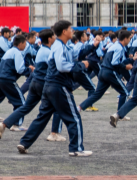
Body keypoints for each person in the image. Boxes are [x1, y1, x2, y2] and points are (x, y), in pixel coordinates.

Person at [16, 20, 91, 157]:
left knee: (42, 117)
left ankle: (24, 142)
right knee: (73, 117)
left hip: (50, 86)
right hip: (58, 86)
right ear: (64, 31)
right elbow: (62, 66)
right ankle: (76, 148)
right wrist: (80, 66)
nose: (72, 30)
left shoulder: (60, 45)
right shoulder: (58, 46)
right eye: (70, 28)